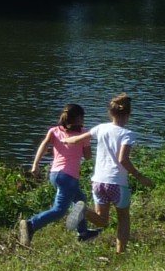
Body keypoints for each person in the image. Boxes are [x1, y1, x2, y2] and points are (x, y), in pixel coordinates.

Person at [18, 103, 102, 247]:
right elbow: (88, 156)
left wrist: (35, 165)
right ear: (78, 118)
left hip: (55, 174)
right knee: (59, 211)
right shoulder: (83, 133)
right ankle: (31, 225)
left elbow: (43, 146)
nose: (84, 120)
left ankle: (83, 233)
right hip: (68, 177)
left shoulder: (54, 131)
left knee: (80, 200)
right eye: (82, 117)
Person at [85, 93, 148, 253]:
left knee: (102, 220)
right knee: (123, 218)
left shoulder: (100, 128)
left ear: (110, 113)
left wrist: (65, 140)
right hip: (117, 183)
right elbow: (123, 159)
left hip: (98, 182)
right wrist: (139, 176)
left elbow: (79, 139)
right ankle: (120, 253)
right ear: (128, 115)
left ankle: (83, 211)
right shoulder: (127, 134)